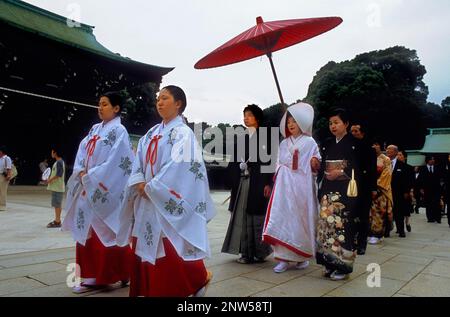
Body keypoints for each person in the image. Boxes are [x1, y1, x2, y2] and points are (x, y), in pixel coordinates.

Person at [117, 85, 216, 297]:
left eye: (165, 98)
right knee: (149, 245)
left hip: (162, 198)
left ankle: (191, 282)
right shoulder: (151, 133)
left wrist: (152, 187)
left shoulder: (183, 134)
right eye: (158, 99)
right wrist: (138, 181)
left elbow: (179, 168)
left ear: (178, 103)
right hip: (147, 198)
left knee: (170, 247)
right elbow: (137, 163)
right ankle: (159, 288)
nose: (159, 102)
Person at [62, 91, 135, 293]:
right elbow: (82, 151)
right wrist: (81, 172)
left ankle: (103, 277)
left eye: (104, 104)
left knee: (107, 233)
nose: (100, 107)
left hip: (104, 189)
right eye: (99, 104)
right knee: (88, 232)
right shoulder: (95, 129)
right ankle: (113, 273)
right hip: (87, 185)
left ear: (116, 108)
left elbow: (117, 163)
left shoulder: (120, 131)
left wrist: (91, 176)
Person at [262, 102, 321, 273]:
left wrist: (315, 163)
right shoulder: (283, 143)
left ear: (302, 123)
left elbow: (317, 162)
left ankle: (301, 256)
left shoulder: (310, 142)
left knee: (300, 219)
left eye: (294, 121)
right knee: (282, 218)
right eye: (288, 122)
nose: (291, 124)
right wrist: (283, 170)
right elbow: (278, 163)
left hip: (302, 186)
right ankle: (283, 258)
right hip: (284, 186)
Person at [222, 104, 273, 264]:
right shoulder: (242, 138)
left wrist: (268, 183)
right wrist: (237, 170)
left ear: (257, 118)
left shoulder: (265, 138)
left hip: (257, 182)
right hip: (242, 182)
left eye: (249, 115)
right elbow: (234, 161)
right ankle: (245, 252)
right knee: (241, 217)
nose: (246, 118)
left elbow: (269, 162)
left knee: (256, 217)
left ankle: (259, 252)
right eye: (244, 115)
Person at [316, 108, 361, 281]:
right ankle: (329, 263)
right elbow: (322, 167)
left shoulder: (354, 144)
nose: (333, 126)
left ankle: (343, 266)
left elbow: (358, 169)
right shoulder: (328, 143)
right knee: (326, 229)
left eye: (336, 122)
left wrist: (341, 171)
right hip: (328, 190)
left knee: (342, 228)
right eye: (330, 123)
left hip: (345, 192)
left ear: (346, 124)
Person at [350, 124, 377, 255]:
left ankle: (362, 244)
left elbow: (372, 171)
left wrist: (373, 188)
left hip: (364, 187)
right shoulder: (348, 147)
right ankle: (352, 241)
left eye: (356, 131)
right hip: (350, 187)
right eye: (352, 131)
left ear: (362, 133)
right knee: (350, 215)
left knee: (363, 217)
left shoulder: (370, 149)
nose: (353, 133)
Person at [368, 141, 393, 244]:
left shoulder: (386, 159)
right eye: (372, 144)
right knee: (369, 212)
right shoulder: (368, 158)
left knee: (378, 212)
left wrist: (376, 186)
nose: (374, 146)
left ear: (380, 146)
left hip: (381, 189)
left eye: (376, 144)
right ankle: (369, 233)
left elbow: (387, 174)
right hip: (368, 188)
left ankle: (377, 234)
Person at [386, 145, 410, 237]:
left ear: (396, 152)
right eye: (387, 149)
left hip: (398, 193)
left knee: (398, 212)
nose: (388, 151)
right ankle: (386, 231)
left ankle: (401, 230)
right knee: (386, 212)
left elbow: (406, 180)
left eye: (390, 150)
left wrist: (406, 191)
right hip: (386, 192)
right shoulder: (384, 163)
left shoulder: (402, 165)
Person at [417, 156, 443, 224]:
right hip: (427, 189)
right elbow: (420, 179)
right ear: (427, 161)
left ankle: (438, 218)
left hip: (436, 189)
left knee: (436, 203)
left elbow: (440, 178)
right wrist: (421, 188)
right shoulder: (423, 169)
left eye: (433, 159)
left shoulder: (437, 168)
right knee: (429, 204)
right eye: (431, 159)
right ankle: (430, 218)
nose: (433, 160)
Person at [46, 147, 66, 228]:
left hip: (58, 187)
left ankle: (57, 221)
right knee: (56, 204)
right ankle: (57, 220)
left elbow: (59, 174)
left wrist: (50, 180)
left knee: (57, 204)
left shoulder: (59, 162)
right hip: (56, 187)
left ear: (55, 153)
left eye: (52, 152)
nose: (51, 154)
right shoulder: (58, 162)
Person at [397, 150, 415, 232]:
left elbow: (412, 180)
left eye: (400, 155)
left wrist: (410, 191)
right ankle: (399, 227)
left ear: (405, 156)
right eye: (397, 155)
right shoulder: (394, 166)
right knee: (398, 210)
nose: (398, 156)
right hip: (398, 190)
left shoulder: (409, 168)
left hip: (406, 191)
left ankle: (407, 222)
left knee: (406, 208)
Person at [0, 146, 12, 211]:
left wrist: (8, 175)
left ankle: (2, 206)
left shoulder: (7, 158)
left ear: (1, 151)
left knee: (3, 191)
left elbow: (9, 168)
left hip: (3, 176)